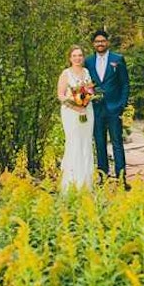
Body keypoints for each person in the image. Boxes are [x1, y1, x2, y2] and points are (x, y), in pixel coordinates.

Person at [85, 29, 131, 189]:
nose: (100, 44)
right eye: (97, 41)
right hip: (96, 109)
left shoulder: (118, 59)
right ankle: (102, 177)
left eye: (102, 41)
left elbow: (125, 84)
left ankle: (121, 178)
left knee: (117, 143)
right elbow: (85, 85)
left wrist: (122, 104)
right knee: (99, 143)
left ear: (107, 42)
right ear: (93, 44)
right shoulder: (88, 62)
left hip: (114, 108)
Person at [56, 45, 95, 191]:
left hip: (87, 111)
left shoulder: (86, 72)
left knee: (86, 143)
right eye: (74, 56)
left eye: (80, 55)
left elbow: (90, 90)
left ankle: (86, 183)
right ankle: (72, 183)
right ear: (70, 58)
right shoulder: (65, 74)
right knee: (74, 143)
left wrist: (84, 103)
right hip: (71, 113)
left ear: (83, 57)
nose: (78, 58)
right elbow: (60, 95)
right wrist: (75, 106)